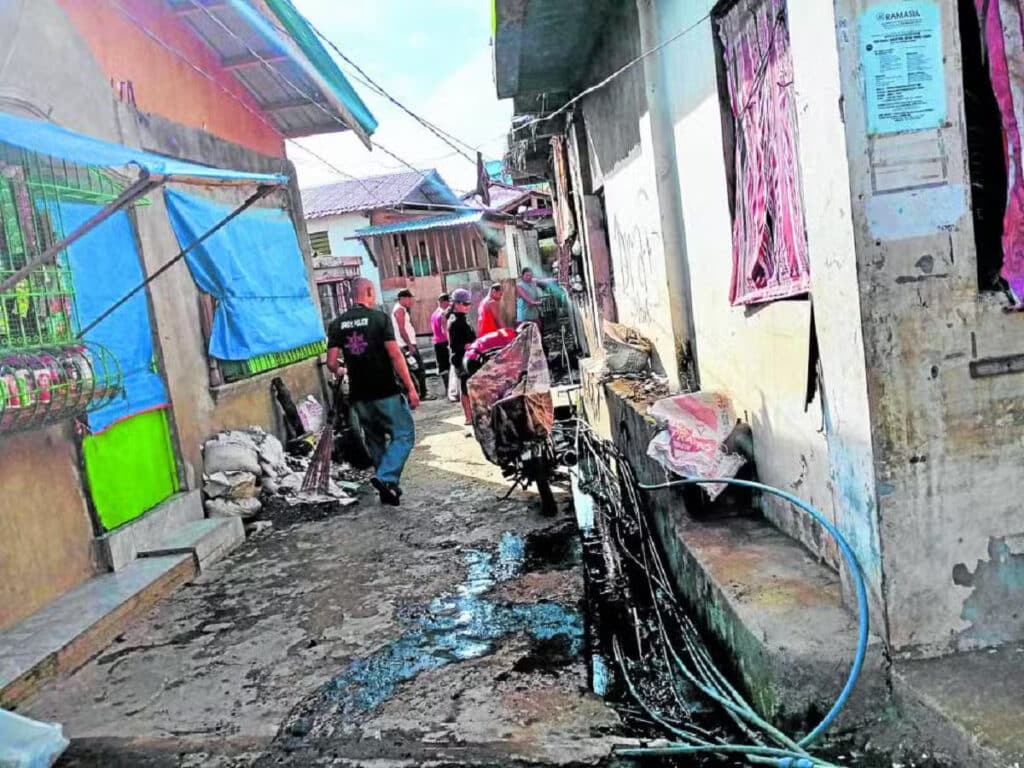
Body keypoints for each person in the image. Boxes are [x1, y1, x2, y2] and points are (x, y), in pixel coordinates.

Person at [327, 278, 420, 507]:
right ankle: (386, 477)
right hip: (385, 390)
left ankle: (388, 490)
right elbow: (395, 355)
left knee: (376, 440)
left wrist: (343, 368)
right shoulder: (379, 318)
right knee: (404, 434)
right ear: (369, 292)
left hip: (359, 396)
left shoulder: (337, 323)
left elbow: (331, 363)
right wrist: (411, 387)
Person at [391, 288, 430, 400]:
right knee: (419, 369)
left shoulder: (401, 309)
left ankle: (418, 392)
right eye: (409, 299)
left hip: (406, 344)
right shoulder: (400, 310)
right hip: (405, 345)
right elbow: (401, 329)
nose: (410, 302)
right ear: (402, 298)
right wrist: (409, 344)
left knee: (414, 369)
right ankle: (422, 393)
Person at [447, 288, 477, 425]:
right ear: (457, 304)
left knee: (470, 386)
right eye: (465, 304)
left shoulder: (462, 318)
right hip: (460, 358)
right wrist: (465, 346)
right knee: (465, 387)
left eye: (469, 304)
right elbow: (454, 345)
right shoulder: (454, 321)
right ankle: (468, 417)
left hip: (468, 357)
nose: (468, 307)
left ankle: (473, 414)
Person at [430, 293, 451, 397]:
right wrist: (450, 342)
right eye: (448, 301)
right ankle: (449, 389)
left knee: (442, 367)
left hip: (436, 342)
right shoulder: (443, 313)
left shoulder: (434, 314)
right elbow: (444, 330)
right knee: (448, 366)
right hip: (444, 342)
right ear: (445, 302)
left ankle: (447, 389)